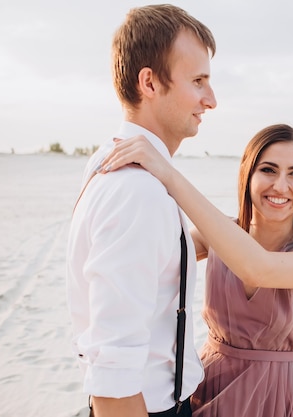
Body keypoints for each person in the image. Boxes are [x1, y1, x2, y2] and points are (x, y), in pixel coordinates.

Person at [98, 124, 293, 417]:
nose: (280, 185)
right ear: (247, 175)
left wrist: (169, 174)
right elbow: (146, 257)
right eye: (268, 170)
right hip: (211, 384)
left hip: (276, 397)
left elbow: (256, 268)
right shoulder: (216, 234)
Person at [66, 5, 216, 417]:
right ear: (149, 82)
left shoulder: (109, 161)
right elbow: (114, 375)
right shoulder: (137, 191)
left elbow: (155, 259)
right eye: (198, 81)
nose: (211, 99)